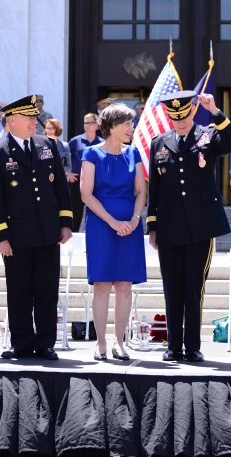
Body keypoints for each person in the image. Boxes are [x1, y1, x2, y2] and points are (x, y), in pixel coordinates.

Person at [147, 91, 231, 362]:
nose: (181, 122)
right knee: (172, 287)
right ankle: (173, 346)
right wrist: (152, 224)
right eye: (175, 118)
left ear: (191, 112)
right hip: (169, 226)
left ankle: (192, 346)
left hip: (200, 226)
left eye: (184, 115)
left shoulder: (207, 135)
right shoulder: (159, 142)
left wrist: (215, 111)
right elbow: (156, 186)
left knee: (193, 288)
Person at [0, 94, 73, 361]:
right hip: (17, 235)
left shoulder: (47, 145)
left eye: (35, 116)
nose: (35, 121)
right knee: (19, 289)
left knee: (46, 288)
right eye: (29, 117)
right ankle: (21, 342)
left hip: (47, 232)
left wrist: (65, 223)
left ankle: (45, 342)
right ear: (12, 120)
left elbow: (60, 188)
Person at [81, 104, 146, 361]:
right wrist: (112, 222)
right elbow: (86, 194)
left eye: (132, 123)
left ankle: (120, 343)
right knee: (102, 285)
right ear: (112, 126)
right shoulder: (91, 154)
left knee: (124, 285)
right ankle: (101, 343)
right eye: (127, 123)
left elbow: (141, 191)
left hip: (130, 226)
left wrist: (133, 219)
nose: (131, 128)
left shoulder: (134, 153)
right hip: (101, 226)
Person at [68, 113, 103, 232]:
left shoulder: (102, 143)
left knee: (94, 212)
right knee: (75, 213)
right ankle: (72, 238)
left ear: (97, 125)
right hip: (77, 182)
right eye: (85, 123)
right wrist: (68, 172)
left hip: (96, 182)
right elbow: (63, 158)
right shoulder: (75, 141)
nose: (88, 125)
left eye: (91, 122)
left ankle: (93, 238)